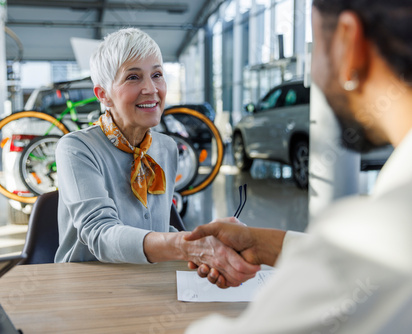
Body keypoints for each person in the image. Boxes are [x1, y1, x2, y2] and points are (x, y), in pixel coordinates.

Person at [185, 0, 412, 332]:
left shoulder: (380, 231)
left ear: (349, 42)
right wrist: (258, 242)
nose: (315, 75)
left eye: (316, 48)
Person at [54, 28, 258, 286]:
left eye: (157, 75)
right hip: (88, 285)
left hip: (146, 281)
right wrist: (187, 247)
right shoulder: (77, 148)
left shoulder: (165, 148)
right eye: (133, 77)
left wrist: (207, 239)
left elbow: (157, 230)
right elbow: (100, 234)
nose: (151, 89)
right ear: (103, 95)